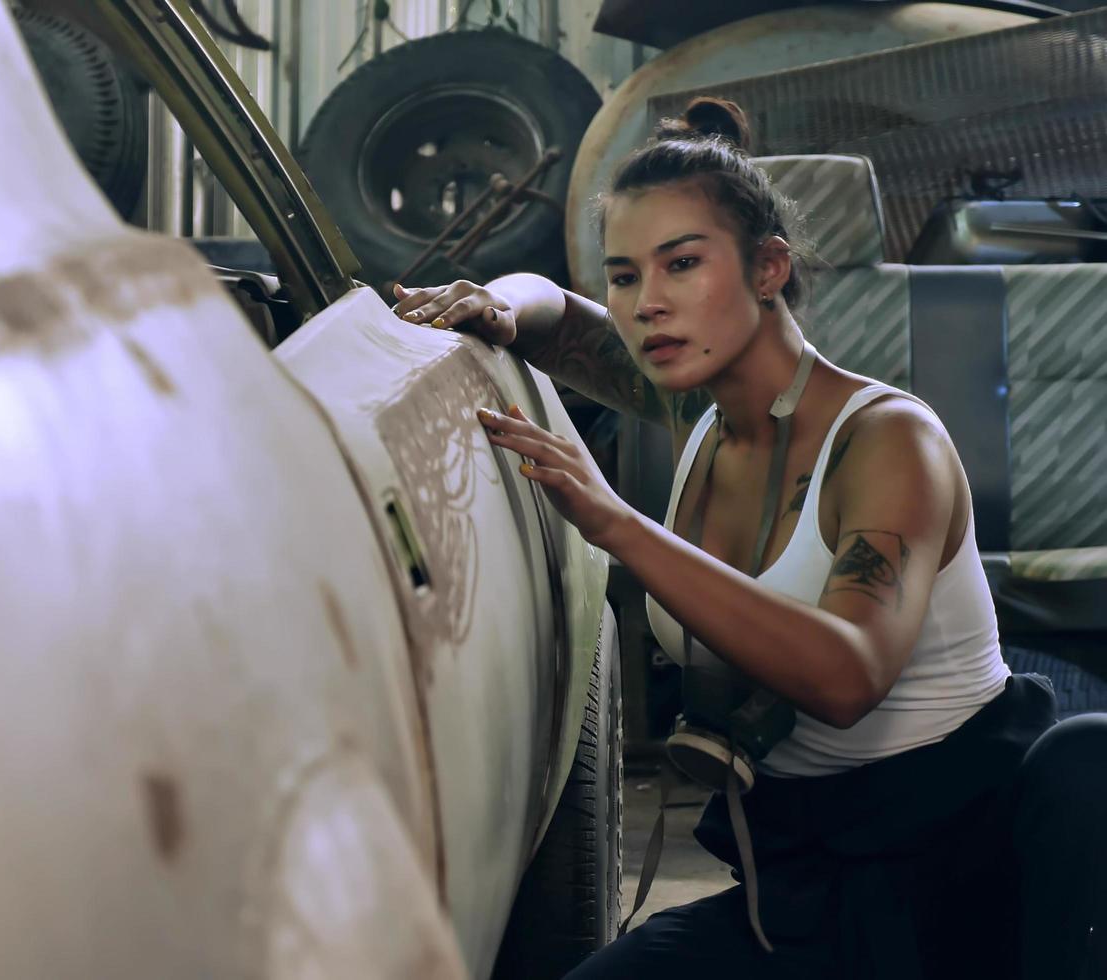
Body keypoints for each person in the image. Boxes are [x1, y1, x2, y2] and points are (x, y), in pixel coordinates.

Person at [392, 97, 1078, 978]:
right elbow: (554, 314)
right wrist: (491, 299)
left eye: (682, 263)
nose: (647, 305)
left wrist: (617, 524)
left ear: (768, 269)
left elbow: (846, 676)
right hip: (794, 887)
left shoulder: (888, 440)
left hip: (957, 880)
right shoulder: (696, 407)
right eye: (626, 275)